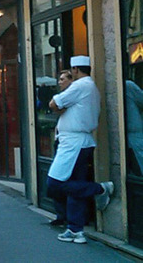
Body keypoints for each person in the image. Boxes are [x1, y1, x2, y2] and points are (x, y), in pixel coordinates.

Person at [47, 56, 114, 244]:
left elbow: (53, 103)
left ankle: (100, 188)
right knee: (75, 185)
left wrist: (58, 107)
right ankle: (76, 230)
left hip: (73, 143)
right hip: (81, 141)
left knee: (54, 183)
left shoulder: (79, 85)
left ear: (75, 69)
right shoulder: (91, 87)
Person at [48, 69, 74, 227]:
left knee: (59, 180)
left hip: (71, 142)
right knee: (56, 179)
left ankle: (66, 215)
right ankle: (61, 214)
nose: (59, 82)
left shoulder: (73, 95)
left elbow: (55, 106)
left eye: (63, 79)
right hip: (61, 140)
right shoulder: (63, 96)